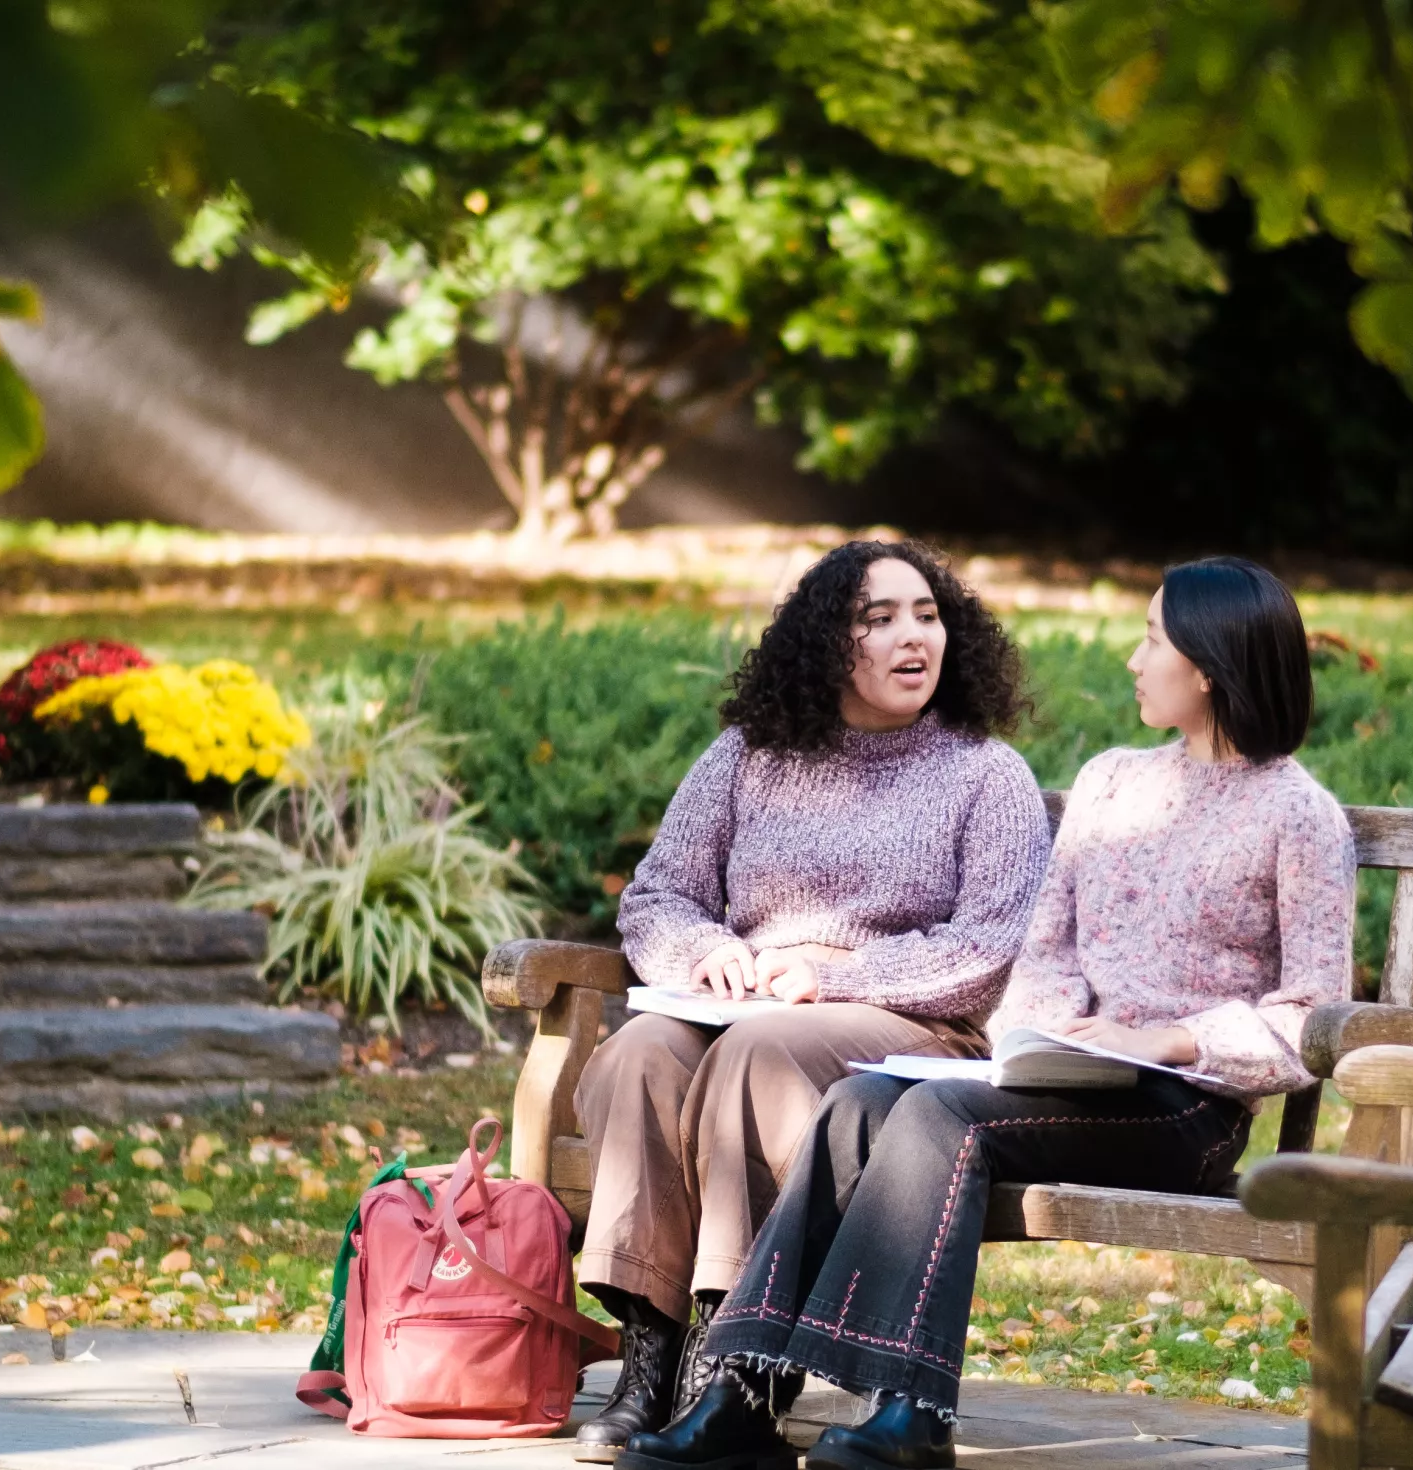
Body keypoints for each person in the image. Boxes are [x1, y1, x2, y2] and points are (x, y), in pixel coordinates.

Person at [619, 558, 1354, 1470]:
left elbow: (1315, 1018)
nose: (1133, 658)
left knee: (934, 1116)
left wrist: (1175, 1038)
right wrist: (1035, 1040)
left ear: (1205, 666)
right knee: (856, 1107)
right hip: (1064, 1082)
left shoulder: (1299, 815)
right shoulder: (1112, 783)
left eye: (1152, 639)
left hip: (1187, 1109)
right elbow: (1040, 960)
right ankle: (743, 1390)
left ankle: (912, 1411)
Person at [571, 541, 1055, 1460]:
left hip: (909, 1032)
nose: (912, 638)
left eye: (927, 614)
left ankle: (734, 1364)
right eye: (877, 619)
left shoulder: (986, 776)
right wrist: (707, 948)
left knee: (756, 1056)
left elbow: (989, 950)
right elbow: (658, 893)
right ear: (825, 645)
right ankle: (652, 1351)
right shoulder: (748, 757)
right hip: (747, 1010)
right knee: (638, 1054)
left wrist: (831, 976)